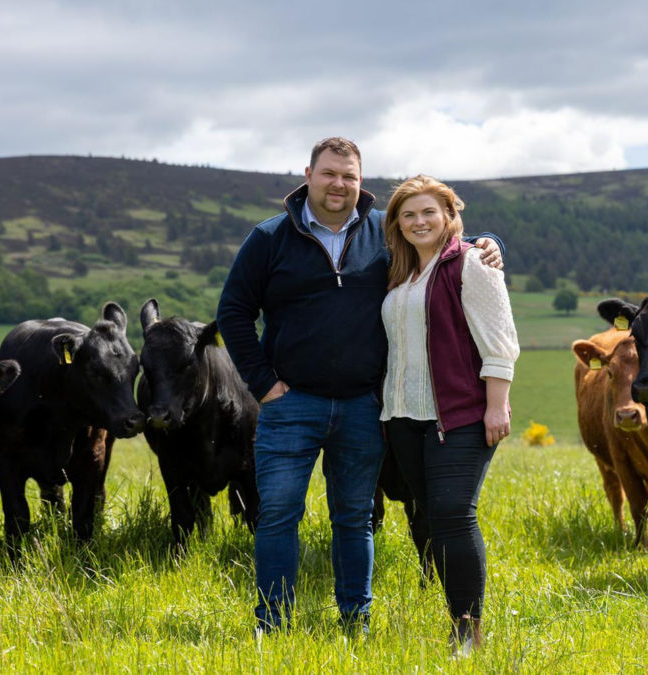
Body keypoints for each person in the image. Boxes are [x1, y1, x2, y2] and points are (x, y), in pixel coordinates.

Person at [216, 138, 503, 635]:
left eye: (349, 176)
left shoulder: (383, 234)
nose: (339, 184)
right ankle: (273, 622)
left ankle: (356, 620)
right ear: (308, 174)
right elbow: (233, 313)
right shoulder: (268, 238)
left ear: (360, 181)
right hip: (290, 405)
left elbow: (439, 241)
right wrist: (263, 384)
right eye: (329, 174)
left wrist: (490, 243)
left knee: (354, 518)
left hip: (361, 405)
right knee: (278, 514)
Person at [380, 175, 519, 655]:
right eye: (408, 214)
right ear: (397, 224)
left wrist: (496, 406)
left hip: (458, 413)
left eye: (428, 212)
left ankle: (468, 631)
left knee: (454, 515)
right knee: (433, 519)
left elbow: (500, 340)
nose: (419, 222)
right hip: (402, 417)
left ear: (448, 215)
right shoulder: (400, 273)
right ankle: (455, 617)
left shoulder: (472, 263)